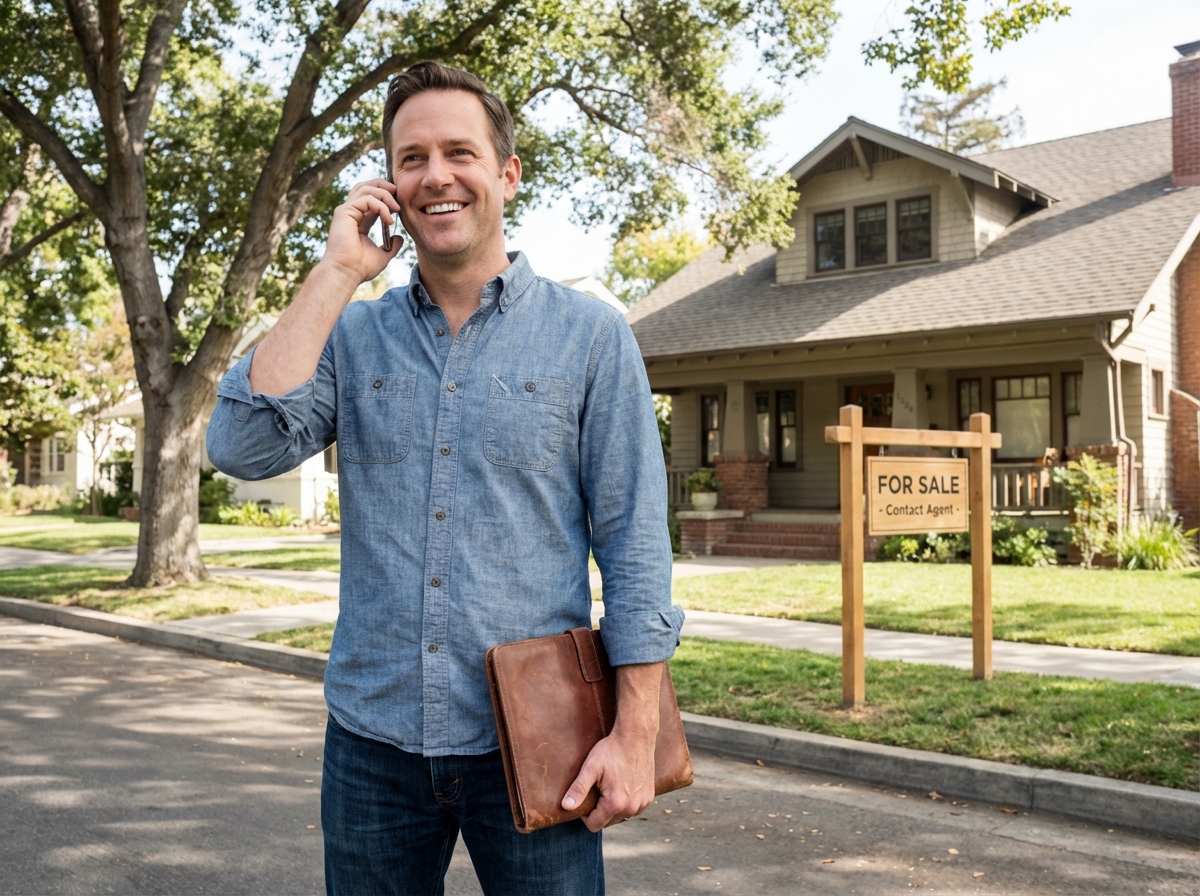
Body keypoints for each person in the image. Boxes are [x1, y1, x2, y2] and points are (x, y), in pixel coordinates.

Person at [206, 61, 683, 896]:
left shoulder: (593, 340)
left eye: (458, 151)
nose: (436, 176)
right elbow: (243, 445)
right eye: (411, 157)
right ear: (390, 185)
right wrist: (337, 273)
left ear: (505, 173)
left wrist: (636, 729)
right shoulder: (351, 339)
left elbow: (635, 541)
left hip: (543, 742)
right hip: (372, 742)